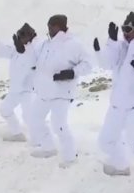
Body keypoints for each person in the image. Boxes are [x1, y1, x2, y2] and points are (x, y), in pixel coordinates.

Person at [94, 12, 134, 176]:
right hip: (118, 104)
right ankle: (120, 165)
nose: (125, 32)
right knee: (105, 141)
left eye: (128, 29)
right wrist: (109, 43)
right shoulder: (121, 47)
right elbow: (106, 64)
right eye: (123, 28)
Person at [26, 14, 92, 167]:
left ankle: (70, 157)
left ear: (60, 26)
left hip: (61, 92)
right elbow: (33, 57)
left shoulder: (74, 44)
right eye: (48, 26)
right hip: (43, 90)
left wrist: (72, 72)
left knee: (59, 125)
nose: (49, 29)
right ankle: (48, 147)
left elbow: (88, 64)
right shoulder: (45, 44)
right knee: (35, 119)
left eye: (51, 26)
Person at [0, 24, 38, 142]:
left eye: (23, 36)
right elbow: (4, 51)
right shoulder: (17, 47)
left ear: (30, 36)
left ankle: (41, 141)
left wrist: (22, 51)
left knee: (28, 117)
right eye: (19, 35)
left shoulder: (36, 47)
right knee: (5, 110)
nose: (21, 38)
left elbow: (31, 61)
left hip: (28, 90)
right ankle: (17, 134)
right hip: (15, 90)